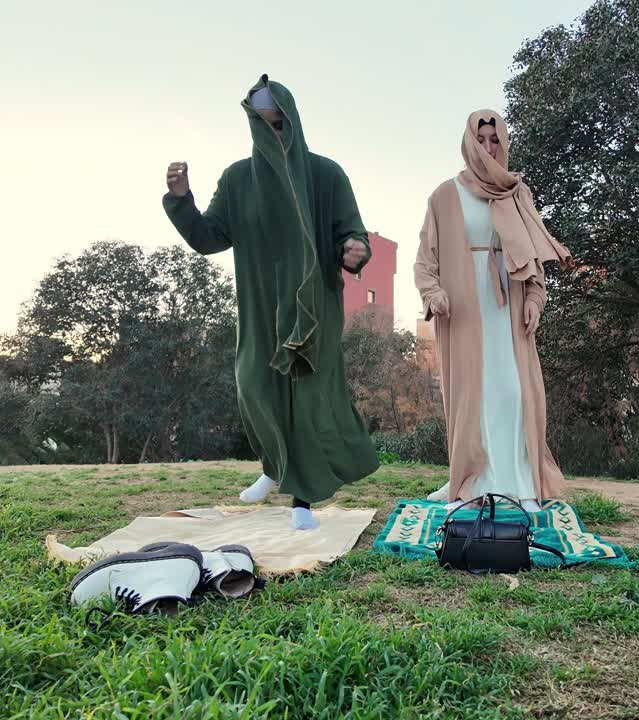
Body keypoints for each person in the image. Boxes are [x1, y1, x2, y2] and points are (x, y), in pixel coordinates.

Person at [163, 74, 379, 530]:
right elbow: (209, 237)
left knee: (306, 399)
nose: (271, 131)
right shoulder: (238, 178)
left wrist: (355, 249)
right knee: (254, 384)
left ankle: (302, 498)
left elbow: (352, 231)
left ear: (291, 119)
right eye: (262, 122)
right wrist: (181, 202)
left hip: (314, 304)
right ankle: (273, 467)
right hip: (260, 303)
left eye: (277, 122)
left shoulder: (325, 174)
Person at [415, 110, 572, 513]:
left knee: (514, 392)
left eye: (495, 139)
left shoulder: (517, 193)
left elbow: (532, 258)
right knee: (473, 397)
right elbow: (425, 260)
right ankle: (469, 484)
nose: (488, 147)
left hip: (510, 310)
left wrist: (534, 300)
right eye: (480, 139)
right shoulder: (445, 195)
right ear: (469, 143)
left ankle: (521, 484)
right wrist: (433, 294)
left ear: (504, 143)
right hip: (464, 311)